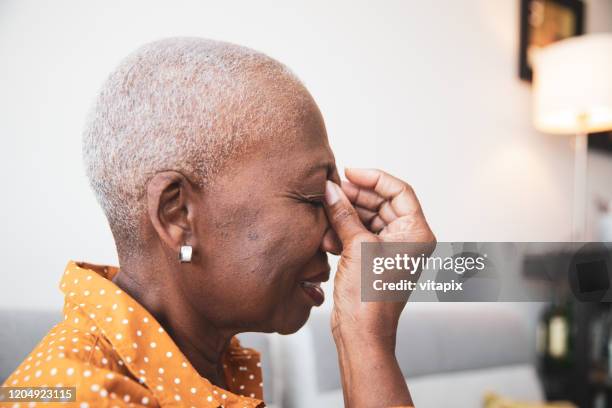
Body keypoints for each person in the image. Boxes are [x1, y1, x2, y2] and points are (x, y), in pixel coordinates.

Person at [2, 38, 435, 407]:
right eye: (311, 197)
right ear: (178, 214)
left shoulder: (212, 365)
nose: (339, 237)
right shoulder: (73, 395)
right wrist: (366, 341)